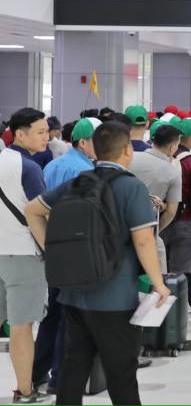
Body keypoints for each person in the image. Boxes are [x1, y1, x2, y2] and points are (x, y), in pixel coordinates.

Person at [26, 121, 169, 405]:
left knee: (73, 367)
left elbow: (32, 210)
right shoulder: (131, 186)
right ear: (127, 150)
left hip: (74, 293)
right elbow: (143, 241)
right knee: (121, 373)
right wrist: (159, 283)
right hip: (115, 297)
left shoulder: (79, 182)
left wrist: (52, 250)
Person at [33, 117, 102, 394]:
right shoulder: (86, 171)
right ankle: (59, 378)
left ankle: (37, 371)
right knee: (70, 318)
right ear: (84, 142)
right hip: (76, 249)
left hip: (53, 246)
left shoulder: (53, 165)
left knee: (52, 314)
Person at [0, 109, 51, 404]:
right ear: (20, 134)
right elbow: (41, 212)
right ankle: (25, 391)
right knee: (21, 327)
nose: (47, 137)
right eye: (40, 132)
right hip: (23, 254)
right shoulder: (28, 168)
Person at [160, 118, 191, 314]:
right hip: (186, 220)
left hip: (164, 219)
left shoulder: (165, 159)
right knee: (185, 267)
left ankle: (171, 303)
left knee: (166, 266)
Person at [129, 123, 183, 268]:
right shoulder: (173, 173)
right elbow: (171, 211)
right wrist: (155, 230)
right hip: (148, 231)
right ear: (172, 148)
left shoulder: (131, 158)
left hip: (121, 228)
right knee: (156, 274)